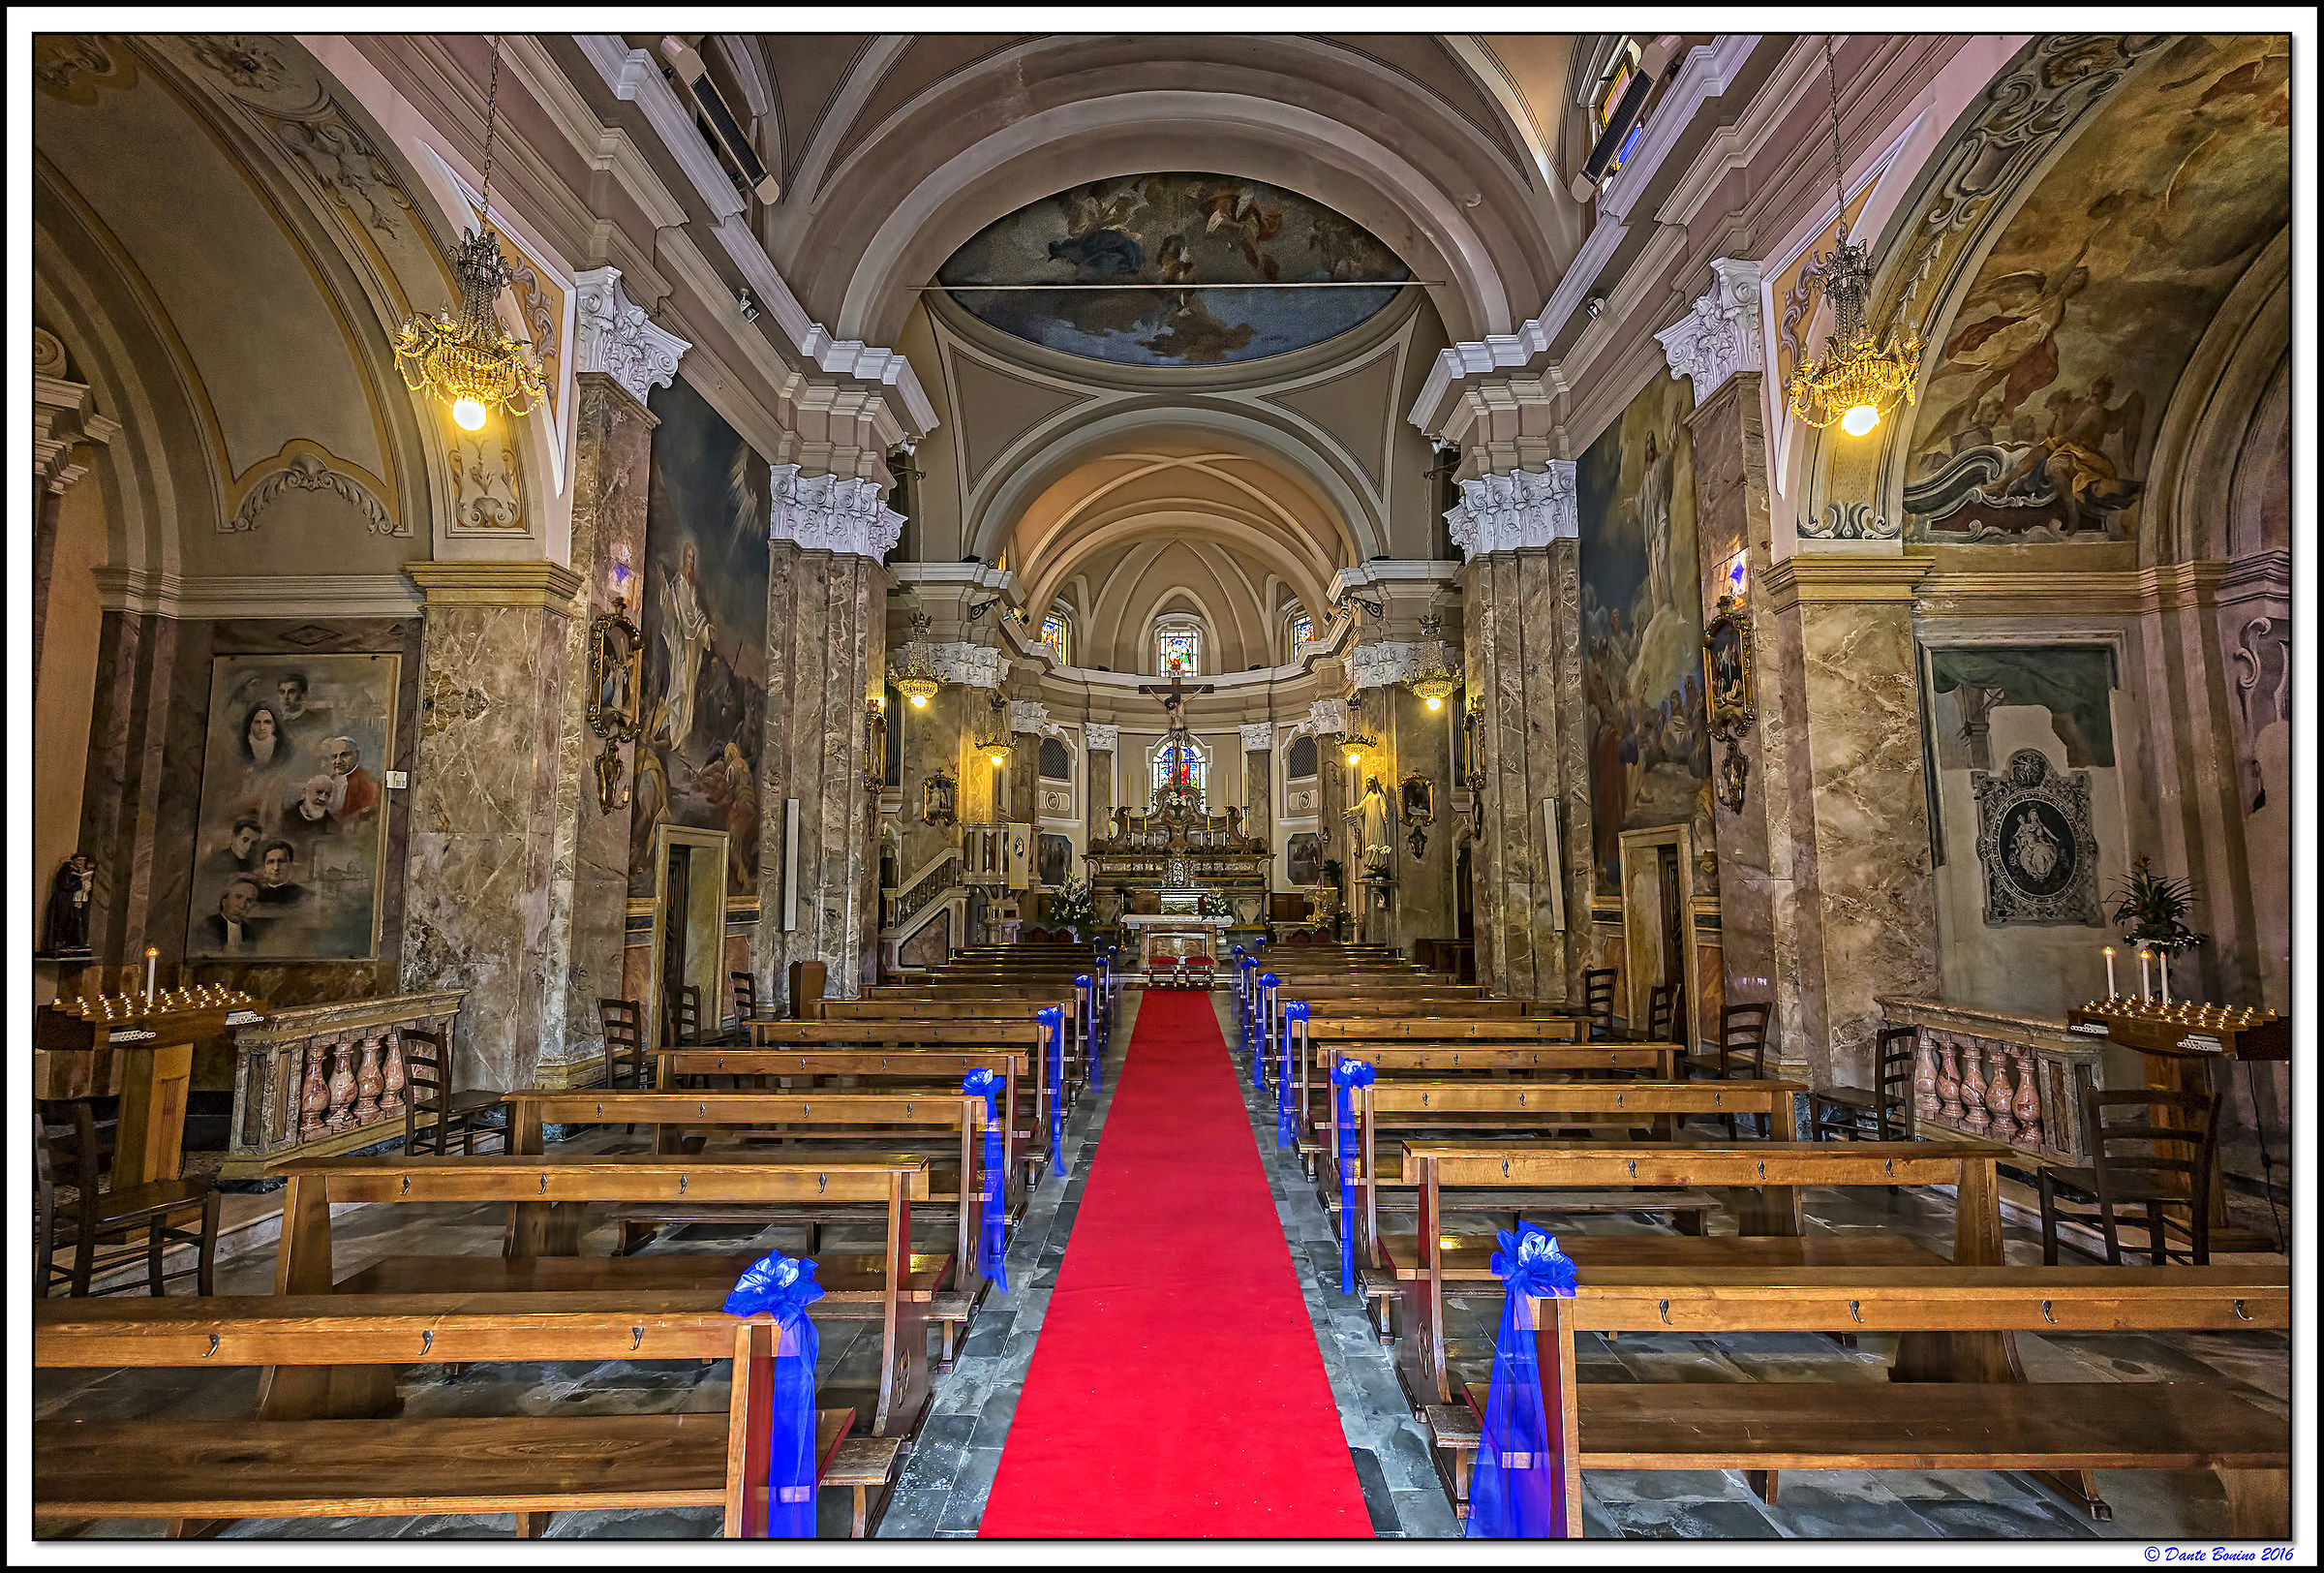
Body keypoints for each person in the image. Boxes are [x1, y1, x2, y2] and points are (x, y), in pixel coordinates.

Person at [659, 540, 714, 752]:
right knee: (680, 687)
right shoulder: (680, 581)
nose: (690, 562)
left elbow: (695, 611)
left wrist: (707, 628)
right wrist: (700, 627)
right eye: (688, 557)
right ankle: (672, 732)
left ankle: (680, 736)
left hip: (692, 645)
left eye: (693, 558)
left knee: (688, 690)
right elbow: (685, 614)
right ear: (683, 558)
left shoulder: (692, 583)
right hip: (682, 645)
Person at [321, 736, 380, 820]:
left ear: (357, 755)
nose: (338, 761)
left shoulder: (367, 782)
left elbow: (368, 816)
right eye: (334, 756)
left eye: (344, 755)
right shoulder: (332, 778)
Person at [199, 879, 266, 952]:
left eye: (249, 901)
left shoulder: (250, 932)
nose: (242, 905)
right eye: (238, 897)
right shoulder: (208, 926)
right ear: (224, 901)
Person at [201, 816, 265, 889]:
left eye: (254, 843)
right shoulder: (215, 862)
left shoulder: (253, 865)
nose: (248, 847)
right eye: (245, 840)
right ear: (232, 838)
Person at [254, 840, 307, 907]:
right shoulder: (254, 895)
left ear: (290, 864)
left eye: (282, 861)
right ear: (264, 866)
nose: (276, 868)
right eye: (271, 862)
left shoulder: (303, 895)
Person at [286, 776, 340, 841]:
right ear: (305, 792)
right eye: (319, 792)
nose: (323, 798)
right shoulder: (287, 818)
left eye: (327, 795)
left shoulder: (332, 825)